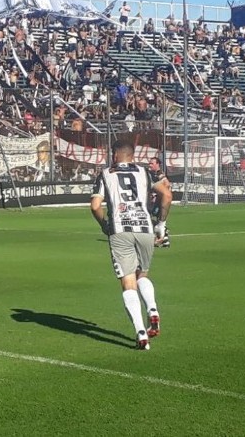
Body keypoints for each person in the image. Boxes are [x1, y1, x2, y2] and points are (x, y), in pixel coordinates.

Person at [90, 140, 172, 350]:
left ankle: (140, 332)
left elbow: (95, 206)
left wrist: (104, 224)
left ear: (115, 155)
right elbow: (167, 195)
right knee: (142, 274)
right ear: (133, 155)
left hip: (120, 230)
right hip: (144, 229)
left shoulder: (106, 173)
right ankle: (152, 309)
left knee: (128, 282)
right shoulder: (146, 172)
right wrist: (161, 224)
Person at [147, 157, 171, 247]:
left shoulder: (159, 174)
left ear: (157, 164)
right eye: (149, 163)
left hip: (158, 201)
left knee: (152, 219)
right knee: (157, 220)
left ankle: (163, 237)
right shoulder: (152, 174)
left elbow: (167, 184)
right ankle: (164, 240)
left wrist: (159, 195)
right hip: (156, 201)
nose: (150, 165)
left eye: (152, 163)